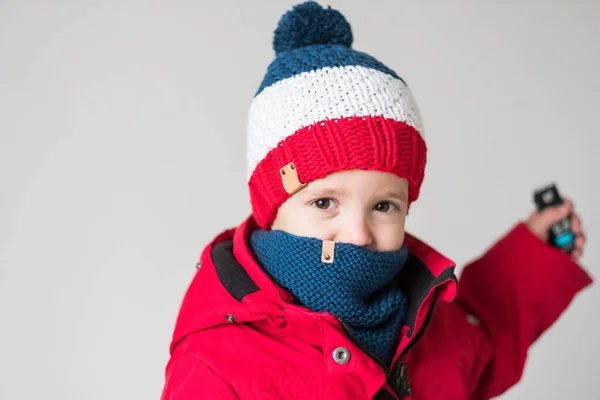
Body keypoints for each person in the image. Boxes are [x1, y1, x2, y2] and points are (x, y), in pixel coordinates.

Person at [160, 2, 592, 399]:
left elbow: (482, 343)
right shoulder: (215, 367)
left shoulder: (425, 319)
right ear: (274, 208)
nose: (358, 234)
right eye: (325, 202)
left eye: (383, 206)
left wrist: (534, 254)